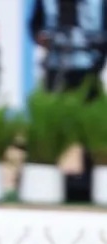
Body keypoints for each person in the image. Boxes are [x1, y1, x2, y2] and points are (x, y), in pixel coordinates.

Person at [29, 0, 107, 202]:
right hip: (55, 68)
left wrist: (98, 57)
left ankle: (87, 184)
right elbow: (35, 26)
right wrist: (42, 38)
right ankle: (49, 184)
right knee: (50, 128)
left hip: (88, 69)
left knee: (90, 130)